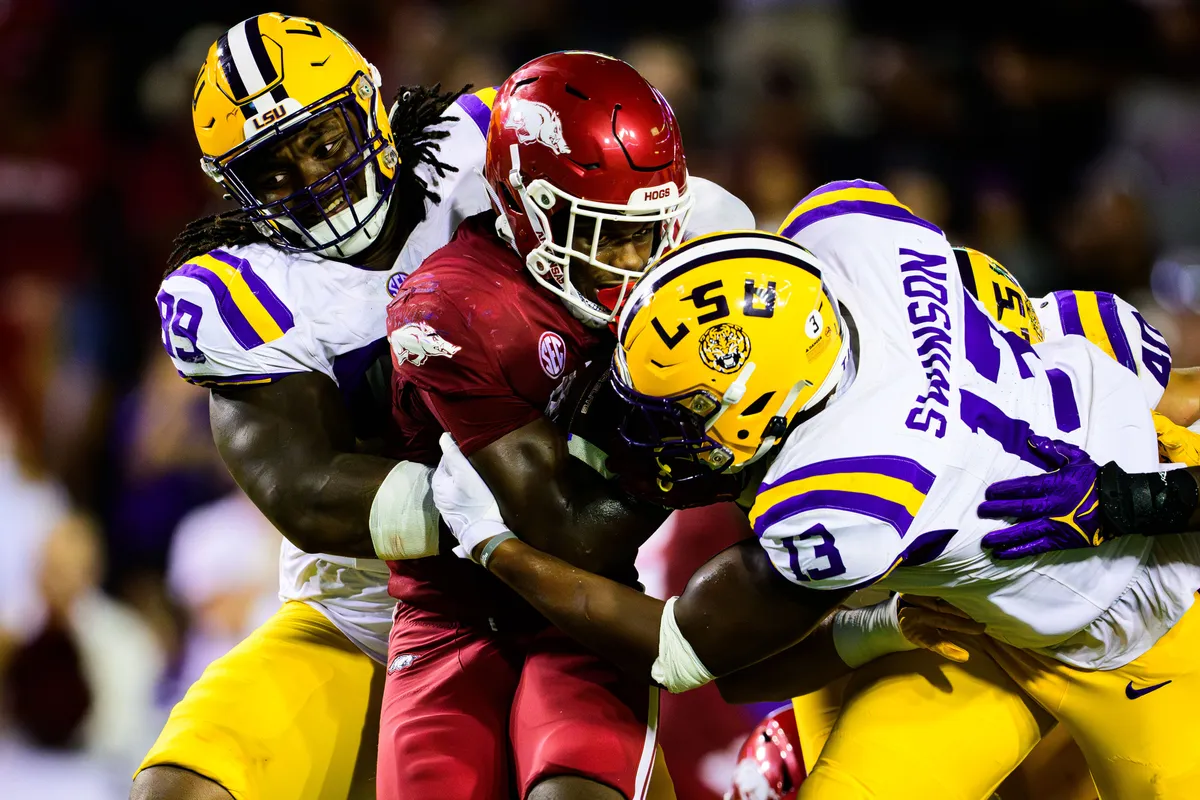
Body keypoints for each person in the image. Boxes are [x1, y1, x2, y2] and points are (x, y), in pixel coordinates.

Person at [431, 182, 1200, 797]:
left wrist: (493, 546)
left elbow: (679, 652)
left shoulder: (851, 495)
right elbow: (743, 673)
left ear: (762, 408)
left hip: (1156, 636)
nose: (657, 435)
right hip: (981, 626)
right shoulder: (848, 241)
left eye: (682, 417)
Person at [133, 12, 501, 800]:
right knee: (181, 790)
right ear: (231, 184)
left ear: (370, 106)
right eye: (272, 170)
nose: (312, 179)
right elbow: (303, 489)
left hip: (550, 599)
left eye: (325, 143)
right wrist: (508, 500)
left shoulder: (480, 150)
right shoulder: (238, 290)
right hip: (365, 615)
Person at [380, 51, 754, 800]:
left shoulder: (707, 239)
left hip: (589, 605)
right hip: (453, 612)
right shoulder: (454, 310)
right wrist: (695, 447)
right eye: (605, 234)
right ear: (526, 205)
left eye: (649, 232)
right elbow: (571, 529)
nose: (636, 260)